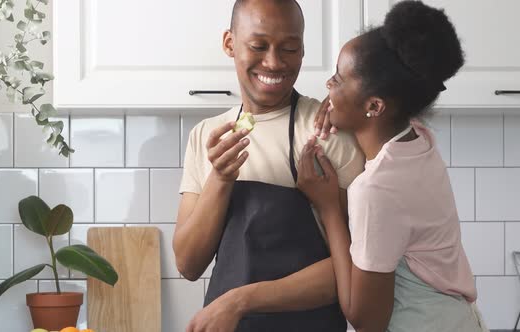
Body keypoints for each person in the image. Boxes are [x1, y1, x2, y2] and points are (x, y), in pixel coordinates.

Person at [297, 1, 488, 331]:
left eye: (338, 80)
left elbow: (366, 319)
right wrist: (346, 109)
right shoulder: (417, 138)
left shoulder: (377, 189)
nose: (328, 85)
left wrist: (328, 206)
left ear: (374, 105)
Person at [174, 0, 364, 331]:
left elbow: (358, 269)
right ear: (229, 44)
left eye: (289, 48)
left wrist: (240, 300)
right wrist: (220, 177)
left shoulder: (329, 132)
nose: (274, 62)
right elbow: (188, 264)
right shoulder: (205, 137)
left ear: (303, 49)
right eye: (258, 46)